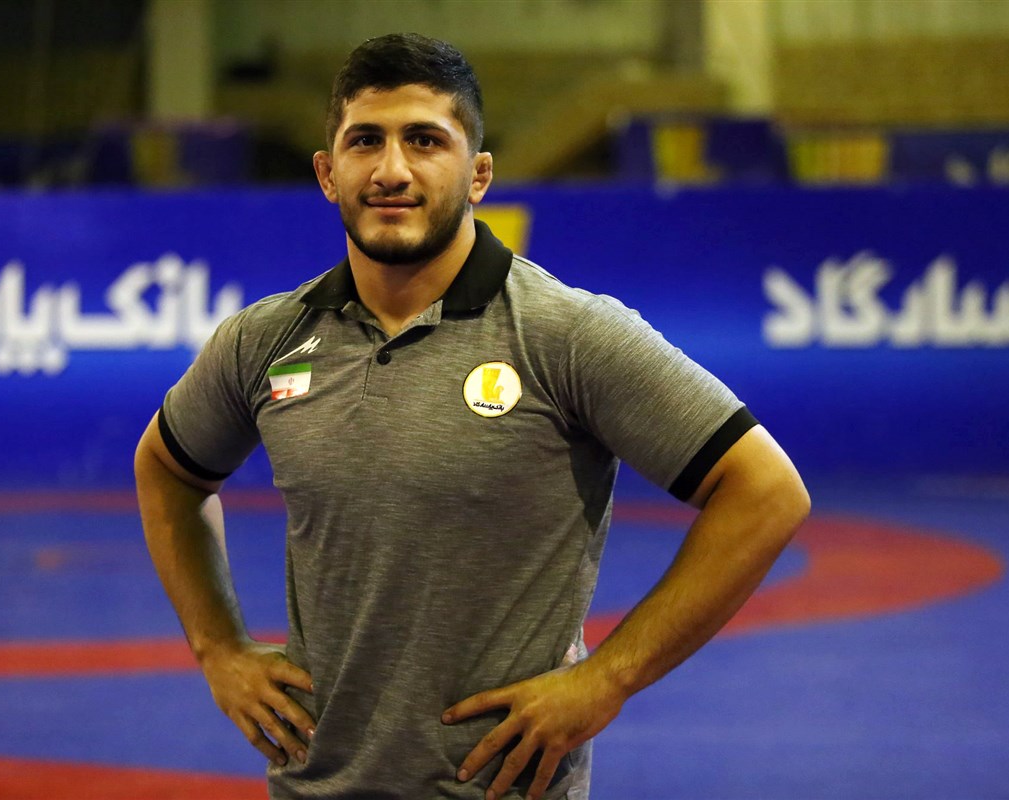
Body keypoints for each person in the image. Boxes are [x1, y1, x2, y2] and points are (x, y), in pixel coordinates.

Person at [135, 32, 810, 800]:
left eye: (425, 141)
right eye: (365, 141)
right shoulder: (264, 340)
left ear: (479, 173)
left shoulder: (566, 333)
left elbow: (766, 491)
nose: (392, 170)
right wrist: (218, 649)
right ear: (327, 173)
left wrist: (608, 679)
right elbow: (166, 469)